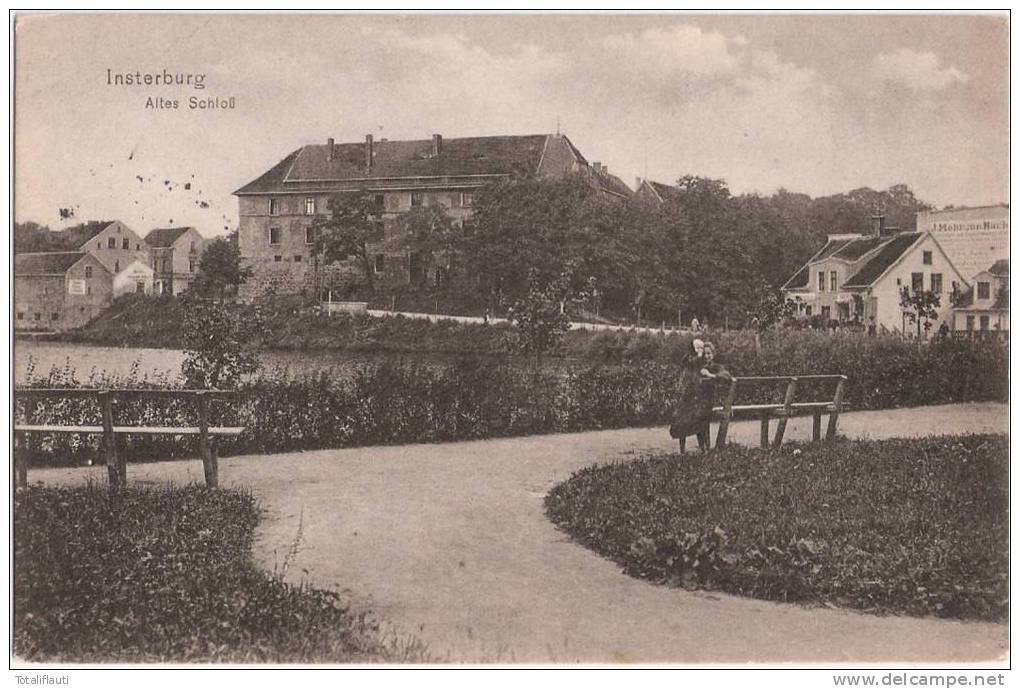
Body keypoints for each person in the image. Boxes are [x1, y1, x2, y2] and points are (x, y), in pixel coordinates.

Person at [669, 339, 732, 453]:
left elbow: (726, 376)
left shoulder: (714, 366)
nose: (706, 356)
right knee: (682, 414)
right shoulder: (698, 365)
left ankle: (704, 448)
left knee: (698, 414)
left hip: (705, 402)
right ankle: (685, 450)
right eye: (705, 353)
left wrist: (711, 375)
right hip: (695, 401)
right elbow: (685, 363)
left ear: (713, 354)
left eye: (709, 353)